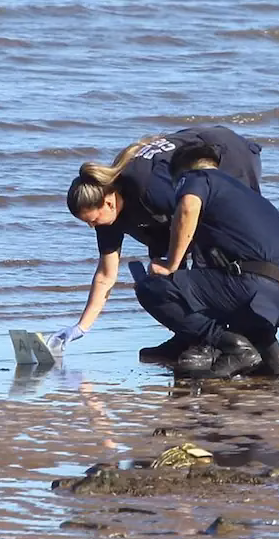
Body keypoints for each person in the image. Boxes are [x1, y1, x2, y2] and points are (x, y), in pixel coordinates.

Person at [48, 126, 263, 363]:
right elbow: (105, 275)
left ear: (109, 202)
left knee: (208, 248)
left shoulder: (148, 185)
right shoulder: (107, 218)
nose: (93, 227)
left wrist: (172, 262)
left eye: (92, 220)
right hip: (172, 198)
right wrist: (81, 327)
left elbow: (191, 212)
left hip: (228, 156)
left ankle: (219, 342)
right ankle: (187, 334)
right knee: (161, 262)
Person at [133, 142, 279, 379]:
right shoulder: (240, 191)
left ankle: (234, 348)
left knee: (152, 288)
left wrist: (171, 264)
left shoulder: (197, 177)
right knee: (226, 285)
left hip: (264, 291)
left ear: (181, 171)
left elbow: (188, 208)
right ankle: (272, 360)